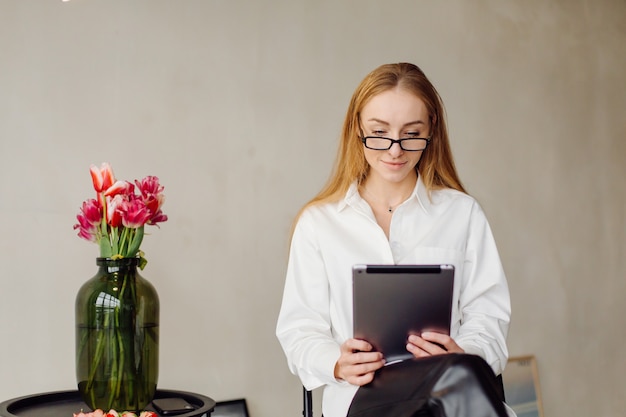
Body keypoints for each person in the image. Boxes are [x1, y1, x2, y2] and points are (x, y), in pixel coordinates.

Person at [276, 63, 513, 417]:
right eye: (379, 132)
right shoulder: (319, 224)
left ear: (432, 128)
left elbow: (489, 318)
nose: (395, 149)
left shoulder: (462, 214)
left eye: (411, 133)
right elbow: (300, 331)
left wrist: (459, 352)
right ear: (357, 128)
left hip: (446, 390)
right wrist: (338, 364)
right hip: (362, 399)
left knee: (458, 381)